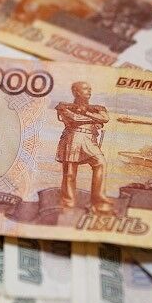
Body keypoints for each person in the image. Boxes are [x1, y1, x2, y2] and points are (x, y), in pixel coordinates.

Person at [55, 82, 113, 214]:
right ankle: (68, 203)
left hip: (90, 139)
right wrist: (94, 119)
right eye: (85, 89)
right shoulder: (63, 106)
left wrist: (86, 113)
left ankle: (98, 200)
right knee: (70, 173)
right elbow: (74, 118)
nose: (89, 91)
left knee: (101, 163)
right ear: (76, 92)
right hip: (73, 138)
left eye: (90, 89)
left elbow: (105, 118)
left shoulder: (97, 107)